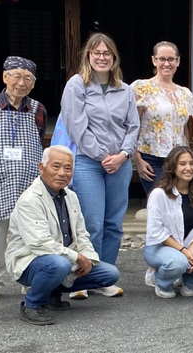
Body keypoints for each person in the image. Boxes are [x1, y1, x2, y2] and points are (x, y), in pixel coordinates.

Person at [61, 33, 139, 299]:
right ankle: (83, 276)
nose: (102, 57)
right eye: (96, 53)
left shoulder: (125, 89)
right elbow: (76, 126)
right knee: (91, 222)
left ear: (114, 57)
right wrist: (104, 155)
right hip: (88, 162)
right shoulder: (76, 85)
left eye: (107, 53)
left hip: (121, 163)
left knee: (114, 223)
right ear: (88, 56)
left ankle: (105, 276)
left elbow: (133, 126)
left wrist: (123, 155)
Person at [7, 146, 121, 325]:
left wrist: (88, 259)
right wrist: (76, 257)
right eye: (56, 166)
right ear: (41, 167)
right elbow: (39, 244)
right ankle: (32, 304)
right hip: (31, 261)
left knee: (109, 274)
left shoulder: (71, 196)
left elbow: (82, 234)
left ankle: (52, 293)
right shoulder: (30, 200)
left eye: (68, 168)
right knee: (58, 264)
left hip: (62, 259)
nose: (62, 173)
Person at [0, 56, 47, 304]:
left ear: (33, 83)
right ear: (5, 77)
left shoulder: (38, 109)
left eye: (28, 78)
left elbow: (39, 139)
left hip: (28, 181)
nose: (21, 82)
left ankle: (28, 279)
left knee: (29, 234)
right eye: (16, 76)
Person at [144, 146, 193, 298]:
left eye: (192, 163)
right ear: (172, 167)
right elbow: (157, 232)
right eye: (182, 164)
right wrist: (183, 251)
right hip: (159, 247)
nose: (188, 168)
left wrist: (192, 249)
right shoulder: (159, 194)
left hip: (189, 244)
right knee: (178, 262)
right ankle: (161, 282)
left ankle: (190, 283)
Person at [132, 41, 193, 195]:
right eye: (162, 59)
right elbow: (131, 126)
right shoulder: (141, 87)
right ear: (154, 60)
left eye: (171, 59)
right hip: (151, 157)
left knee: (180, 203)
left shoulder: (185, 93)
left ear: (178, 61)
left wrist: (189, 156)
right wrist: (137, 160)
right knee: (160, 201)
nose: (166, 63)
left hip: (179, 158)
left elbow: (184, 128)